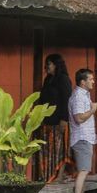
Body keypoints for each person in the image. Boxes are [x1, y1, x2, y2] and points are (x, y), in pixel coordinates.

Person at [68, 68, 97, 193]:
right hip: (81, 137)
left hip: (86, 137)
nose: (93, 81)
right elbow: (79, 118)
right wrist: (93, 109)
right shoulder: (78, 97)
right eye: (91, 79)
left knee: (84, 170)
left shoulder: (83, 95)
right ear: (83, 82)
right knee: (83, 171)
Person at [37, 54, 73, 183]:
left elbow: (67, 100)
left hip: (59, 121)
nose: (47, 66)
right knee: (48, 150)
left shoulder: (63, 79)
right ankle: (48, 175)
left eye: (49, 63)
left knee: (60, 149)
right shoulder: (48, 79)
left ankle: (60, 175)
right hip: (47, 121)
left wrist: (64, 119)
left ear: (56, 65)